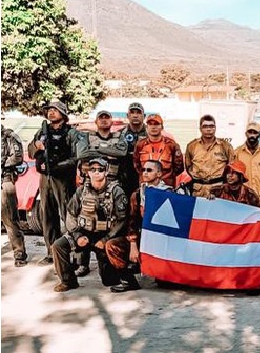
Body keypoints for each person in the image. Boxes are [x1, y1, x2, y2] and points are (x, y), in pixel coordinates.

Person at [51, 158, 128, 292]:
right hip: (83, 233)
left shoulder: (116, 191)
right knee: (58, 246)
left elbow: (122, 220)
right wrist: (77, 235)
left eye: (100, 170)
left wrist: (105, 240)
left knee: (109, 281)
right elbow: (71, 214)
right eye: (93, 170)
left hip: (105, 235)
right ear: (88, 172)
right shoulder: (81, 191)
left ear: (106, 172)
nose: (96, 172)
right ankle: (68, 281)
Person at [105, 160, 174, 293]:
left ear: (159, 174)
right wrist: (133, 244)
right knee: (112, 245)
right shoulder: (137, 195)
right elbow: (132, 221)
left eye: (149, 170)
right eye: (143, 170)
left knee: (165, 284)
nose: (145, 173)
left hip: (163, 240)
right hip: (143, 237)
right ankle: (128, 281)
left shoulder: (170, 193)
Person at [74, 110, 128, 277]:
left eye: (107, 118)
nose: (104, 121)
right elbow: (82, 154)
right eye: (101, 118)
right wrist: (107, 151)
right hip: (89, 185)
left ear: (111, 121)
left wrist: (96, 150)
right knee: (85, 220)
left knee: (110, 222)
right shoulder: (86, 137)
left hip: (112, 185)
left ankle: (109, 260)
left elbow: (122, 152)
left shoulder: (119, 137)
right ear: (96, 122)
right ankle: (82, 263)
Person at [28, 101, 79, 265]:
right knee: (47, 215)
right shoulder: (42, 131)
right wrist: (37, 147)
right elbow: (30, 151)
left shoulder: (71, 132)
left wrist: (59, 166)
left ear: (63, 114)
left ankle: (74, 254)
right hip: (45, 178)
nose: (51, 113)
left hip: (63, 178)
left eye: (55, 110)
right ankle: (52, 252)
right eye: (49, 110)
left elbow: (76, 157)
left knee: (68, 215)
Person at [185, 115, 236, 197]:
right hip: (198, 190)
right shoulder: (192, 146)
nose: (208, 129)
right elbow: (188, 166)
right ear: (200, 129)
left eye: (211, 126)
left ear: (215, 128)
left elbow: (231, 166)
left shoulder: (225, 146)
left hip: (218, 188)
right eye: (205, 126)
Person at [133, 114, 184, 188]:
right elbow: (137, 166)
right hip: (146, 187)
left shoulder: (171, 145)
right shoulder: (140, 145)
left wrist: (164, 178)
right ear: (146, 127)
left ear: (162, 127)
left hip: (166, 187)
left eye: (156, 124)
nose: (153, 127)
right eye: (150, 124)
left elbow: (179, 168)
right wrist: (149, 176)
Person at [2, 122, 27, 267]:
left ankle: (19, 253)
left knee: (10, 219)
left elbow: (18, 157)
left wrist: (3, 163)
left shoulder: (9, 136)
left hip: (4, 180)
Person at [234, 122, 260, 207]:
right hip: (243, 195)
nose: (252, 135)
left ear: (259, 135)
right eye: (250, 132)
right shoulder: (237, 152)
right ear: (246, 134)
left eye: (255, 133)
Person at [118, 102, 148, 195]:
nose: (135, 115)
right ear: (127, 115)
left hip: (146, 176)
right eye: (132, 112)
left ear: (144, 115)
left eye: (138, 113)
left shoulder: (152, 134)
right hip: (124, 177)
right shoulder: (119, 134)